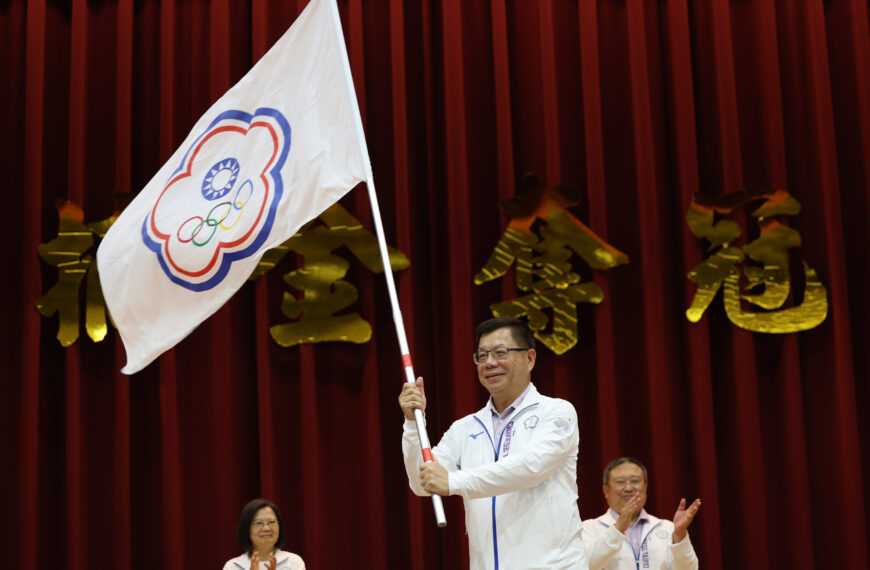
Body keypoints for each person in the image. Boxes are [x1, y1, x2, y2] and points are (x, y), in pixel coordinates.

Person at [399, 316, 588, 569]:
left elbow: (530, 467)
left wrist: (454, 481)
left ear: (530, 358)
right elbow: (423, 484)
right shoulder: (464, 428)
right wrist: (413, 424)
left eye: (500, 353)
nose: (489, 363)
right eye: (482, 355)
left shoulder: (556, 412)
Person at [581, 457, 700, 570]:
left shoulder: (667, 528)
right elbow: (582, 566)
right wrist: (617, 529)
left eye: (635, 481)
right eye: (620, 482)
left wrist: (679, 537)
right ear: (606, 490)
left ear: (645, 487)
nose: (628, 488)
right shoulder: (588, 529)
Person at [222, 498, 305, 570]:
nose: (266, 528)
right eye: (259, 523)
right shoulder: (233, 566)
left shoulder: (293, 562)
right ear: (246, 528)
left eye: (271, 522)